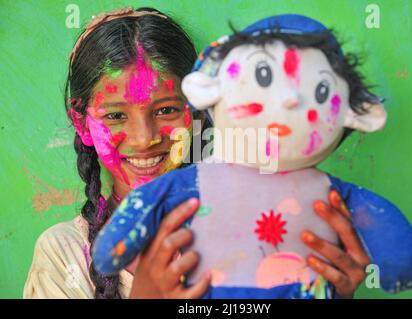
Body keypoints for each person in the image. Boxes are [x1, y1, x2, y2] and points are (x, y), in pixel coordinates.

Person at [24, 7, 370, 299]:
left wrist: (331, 291)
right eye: (115, 116)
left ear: (199, 111)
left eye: (166, 110)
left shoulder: (261, 224)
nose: (144, 139)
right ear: (82, 123)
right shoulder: (63, 254)